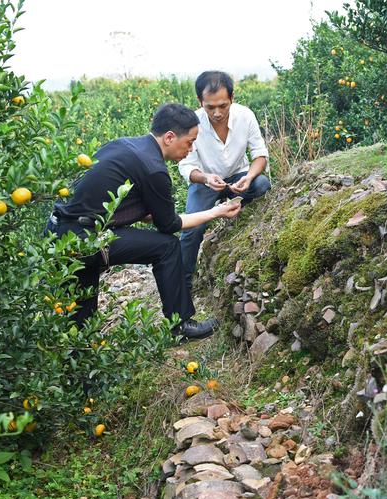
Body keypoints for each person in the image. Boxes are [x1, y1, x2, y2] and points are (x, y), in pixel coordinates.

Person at [46, 103, 241, 340]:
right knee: (167, 246)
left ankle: (77, 362)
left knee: (78, 317)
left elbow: (110, 197)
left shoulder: (125, 145)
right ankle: (181, 324)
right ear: (170, 137)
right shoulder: (154, 168)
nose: (190, 149)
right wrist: (216, 212)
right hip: (86, 237)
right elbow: (169, 226)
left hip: (59, 233)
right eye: (189, 142)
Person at [178, 70, 271, 293]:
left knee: (261, 184)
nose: (217, 113)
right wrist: (206, 178)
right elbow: (186, 166)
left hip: (238, 177)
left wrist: (248, 177)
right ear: (200, 101)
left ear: (232, 98)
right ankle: (182, 283)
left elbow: (260, 155)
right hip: (204, 182)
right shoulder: (192, 122)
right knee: (192, 228)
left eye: (223, 105)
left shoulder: (245, 116)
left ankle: (234, 216)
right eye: (210, 107)